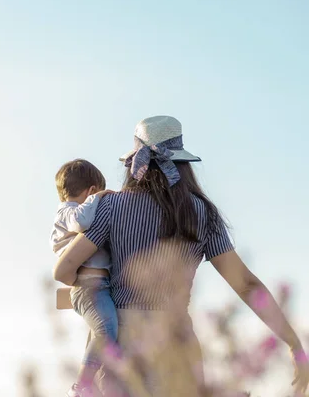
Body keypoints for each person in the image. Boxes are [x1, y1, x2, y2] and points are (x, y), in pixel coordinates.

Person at [53, 116, 309, 396]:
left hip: (122, 346)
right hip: (177, 344)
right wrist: (294, 344)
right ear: (182, 164)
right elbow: (246, 285)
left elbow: (66, 268)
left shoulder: (110, 207)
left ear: (135, 163)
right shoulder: (202, 213)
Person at [50, 159, 118, 397]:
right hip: (89, 289)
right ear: (90, 190)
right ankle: (81, 386)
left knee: (105, 334)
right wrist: (97, 199)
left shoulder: (69, 212)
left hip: (97, 287)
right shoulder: (68, 211)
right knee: (105, 333)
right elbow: (82, 220)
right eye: (95, 193)